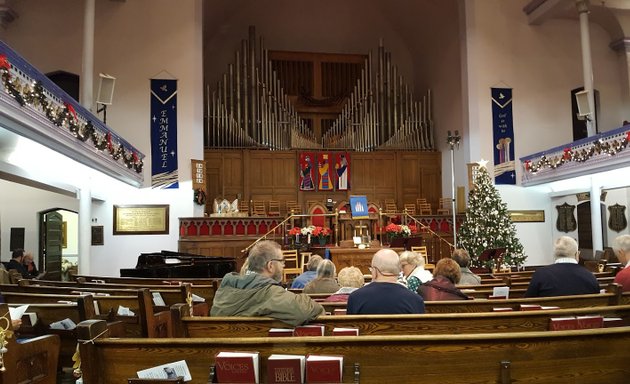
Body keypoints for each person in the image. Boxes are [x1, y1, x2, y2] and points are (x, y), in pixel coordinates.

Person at [210, 240, 324, 326]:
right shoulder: (270, 293)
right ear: (270, 266)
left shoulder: (225, 287)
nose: (283, 265)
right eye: (282, 261)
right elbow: (306, 309)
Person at [347, 249, 425, 314]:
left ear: (375, 271)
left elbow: (349, 330)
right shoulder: (415, 300)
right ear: (399, 270)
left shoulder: (356, 298)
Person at [525, 236, 599, 297]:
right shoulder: (590, 276)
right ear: (577, 254)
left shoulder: (540, 274)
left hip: (550, 315)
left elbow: (527, 303)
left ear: (554, 255)